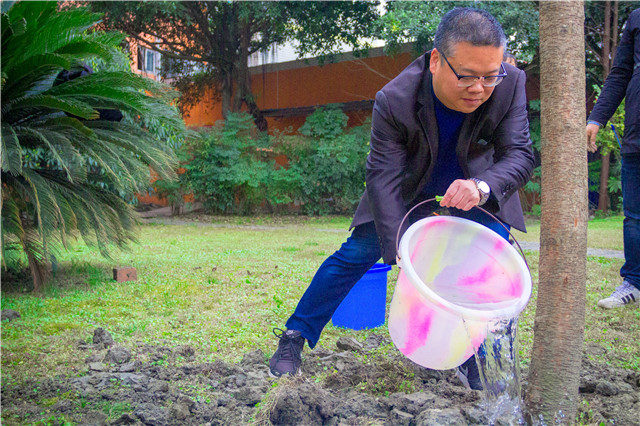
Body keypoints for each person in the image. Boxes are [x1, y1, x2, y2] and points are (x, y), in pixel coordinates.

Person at [269, 7, 535, 391]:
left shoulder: (510, 85)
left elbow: (520, 155)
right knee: (356, 254)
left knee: (488, 272)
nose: (479, 88)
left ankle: (478, 358)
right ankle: (295, 336)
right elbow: (383, 176)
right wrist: (399, 253)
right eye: (468, 76)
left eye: (490, 76)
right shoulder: (395, 98)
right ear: (435, 61)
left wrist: (481, 187)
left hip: (476, 194)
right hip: (407, 193)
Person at [586, 8, 640, 310]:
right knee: (634, 217)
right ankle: (634, 283)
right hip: (637, 136)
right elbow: (620, 74)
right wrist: (596, 118)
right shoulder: (636, 18)